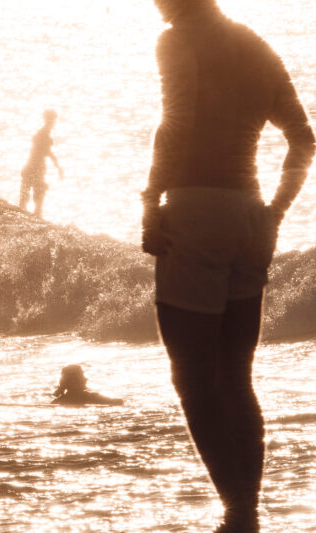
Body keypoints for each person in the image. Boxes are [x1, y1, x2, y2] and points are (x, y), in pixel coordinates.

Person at [142, 1, 315, 531]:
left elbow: (177, 124)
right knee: (236, 378)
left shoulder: (177, 38)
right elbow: (304, 139)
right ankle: (248, 508)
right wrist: (275, 214)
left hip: (194, 214)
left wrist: (150, 202)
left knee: (193, 379)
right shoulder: (257, 46)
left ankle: (238, 511)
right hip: (248, 216)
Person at [20, 109, 64, 218]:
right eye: (53, 120)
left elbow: (45, 151)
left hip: (32, 166)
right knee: (37, 196)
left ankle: (28, 216)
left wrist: (57, 166)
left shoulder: (43, 133)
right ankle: (35, 217)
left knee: (28, 196)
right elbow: (47, 151)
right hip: (36, 167)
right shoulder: (44, 134)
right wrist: (58, 166)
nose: (53, 123)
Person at [51, 364, 124, 406]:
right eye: (82, 376)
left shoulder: (57, 402)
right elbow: (119, 402)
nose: (86, 379)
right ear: (73, 380)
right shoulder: (93, 397)